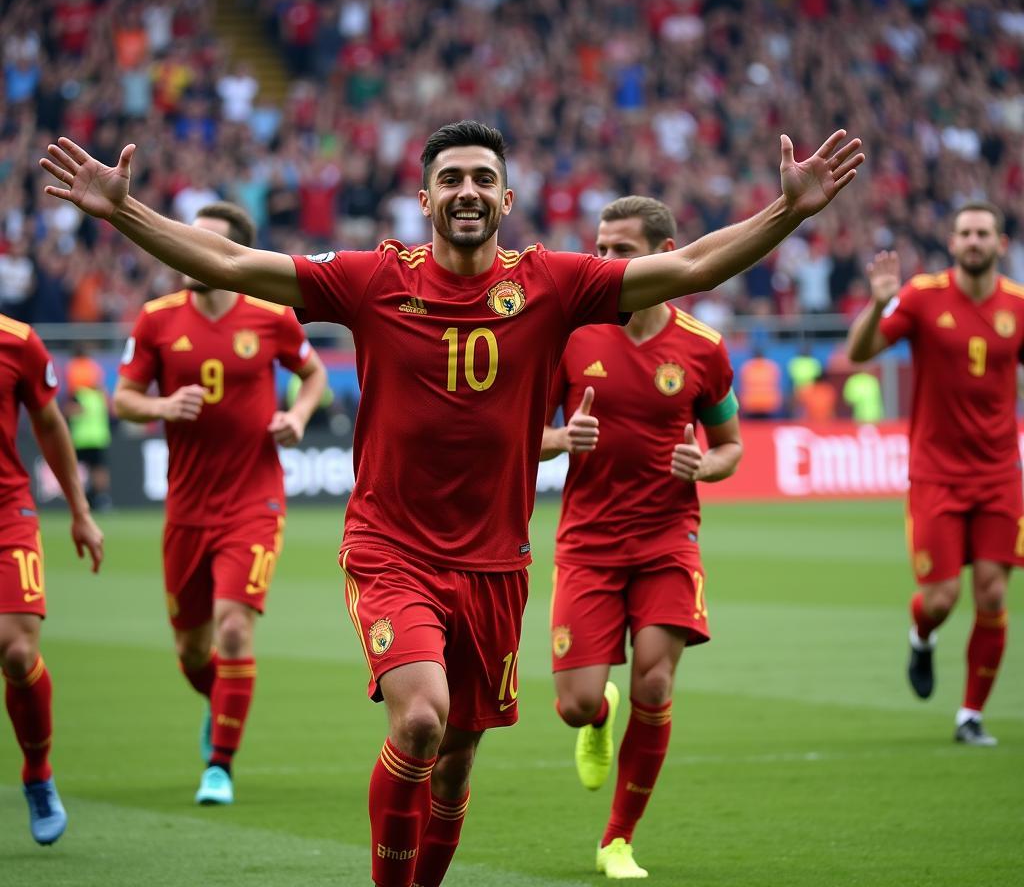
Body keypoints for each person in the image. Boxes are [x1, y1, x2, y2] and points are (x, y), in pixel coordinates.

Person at [40, 120, 862, 886]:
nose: (466, 191)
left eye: (483, 179)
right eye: (450, 179)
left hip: (497, 563)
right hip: (391, 550)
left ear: (505, 200)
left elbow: (687, 269)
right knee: (422, 722)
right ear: (425, 198)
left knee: (459, 757)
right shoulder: (373, 280)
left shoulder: (554, 283)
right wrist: (123, 212)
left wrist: (785, 213)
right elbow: (229, 265)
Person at [540, 196, 742, 880]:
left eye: (621, 250)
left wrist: (704, 464)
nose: (605, 263)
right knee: (572, 706)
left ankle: (618, 840)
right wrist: (564, 438)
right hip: (588, 543)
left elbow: (731, 446)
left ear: (662, 253)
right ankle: (600, 715)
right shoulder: (568, 336)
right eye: (600, 248)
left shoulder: (703, 348)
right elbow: (519, 435)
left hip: (667, 538)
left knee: (656, 680)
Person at [111, 201, 327, 805]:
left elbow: (312, 377)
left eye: (207, 243)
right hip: (186, 509)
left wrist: (298, 415)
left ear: (231, 257)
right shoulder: (155, 320)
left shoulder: (269, 317)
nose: (189, 249)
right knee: (193, 651)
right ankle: (221, 702)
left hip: (254, 501)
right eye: (187, 238)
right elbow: (124, 398)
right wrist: (159, 407)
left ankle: (220, 766)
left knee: (235, 630)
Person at [847, 202, 1023, 746]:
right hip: (935, 474)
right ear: (952, 242)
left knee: (992, 595)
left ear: (999, 244)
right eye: (965, 233)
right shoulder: (923, 296)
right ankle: (921, 636)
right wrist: (878, 306)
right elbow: (859, 352)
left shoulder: (1018, 305)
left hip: (1000, 473)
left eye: (983, 233)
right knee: (943, 598)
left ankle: (970, 714)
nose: (973, 241)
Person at [1, 313, 104, 845]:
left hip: (6, 513)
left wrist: (80, 510)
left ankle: (37, 773)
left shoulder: (17, 342)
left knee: (17, 651)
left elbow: (48, 424)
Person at [63, 346, 113, 511]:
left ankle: (80, 500)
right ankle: (102, 499)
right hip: (98, 437)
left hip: (81, 438)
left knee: (77, 470)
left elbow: (68, 412)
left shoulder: (78, 394)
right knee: (98, 468)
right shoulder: (100, 395)